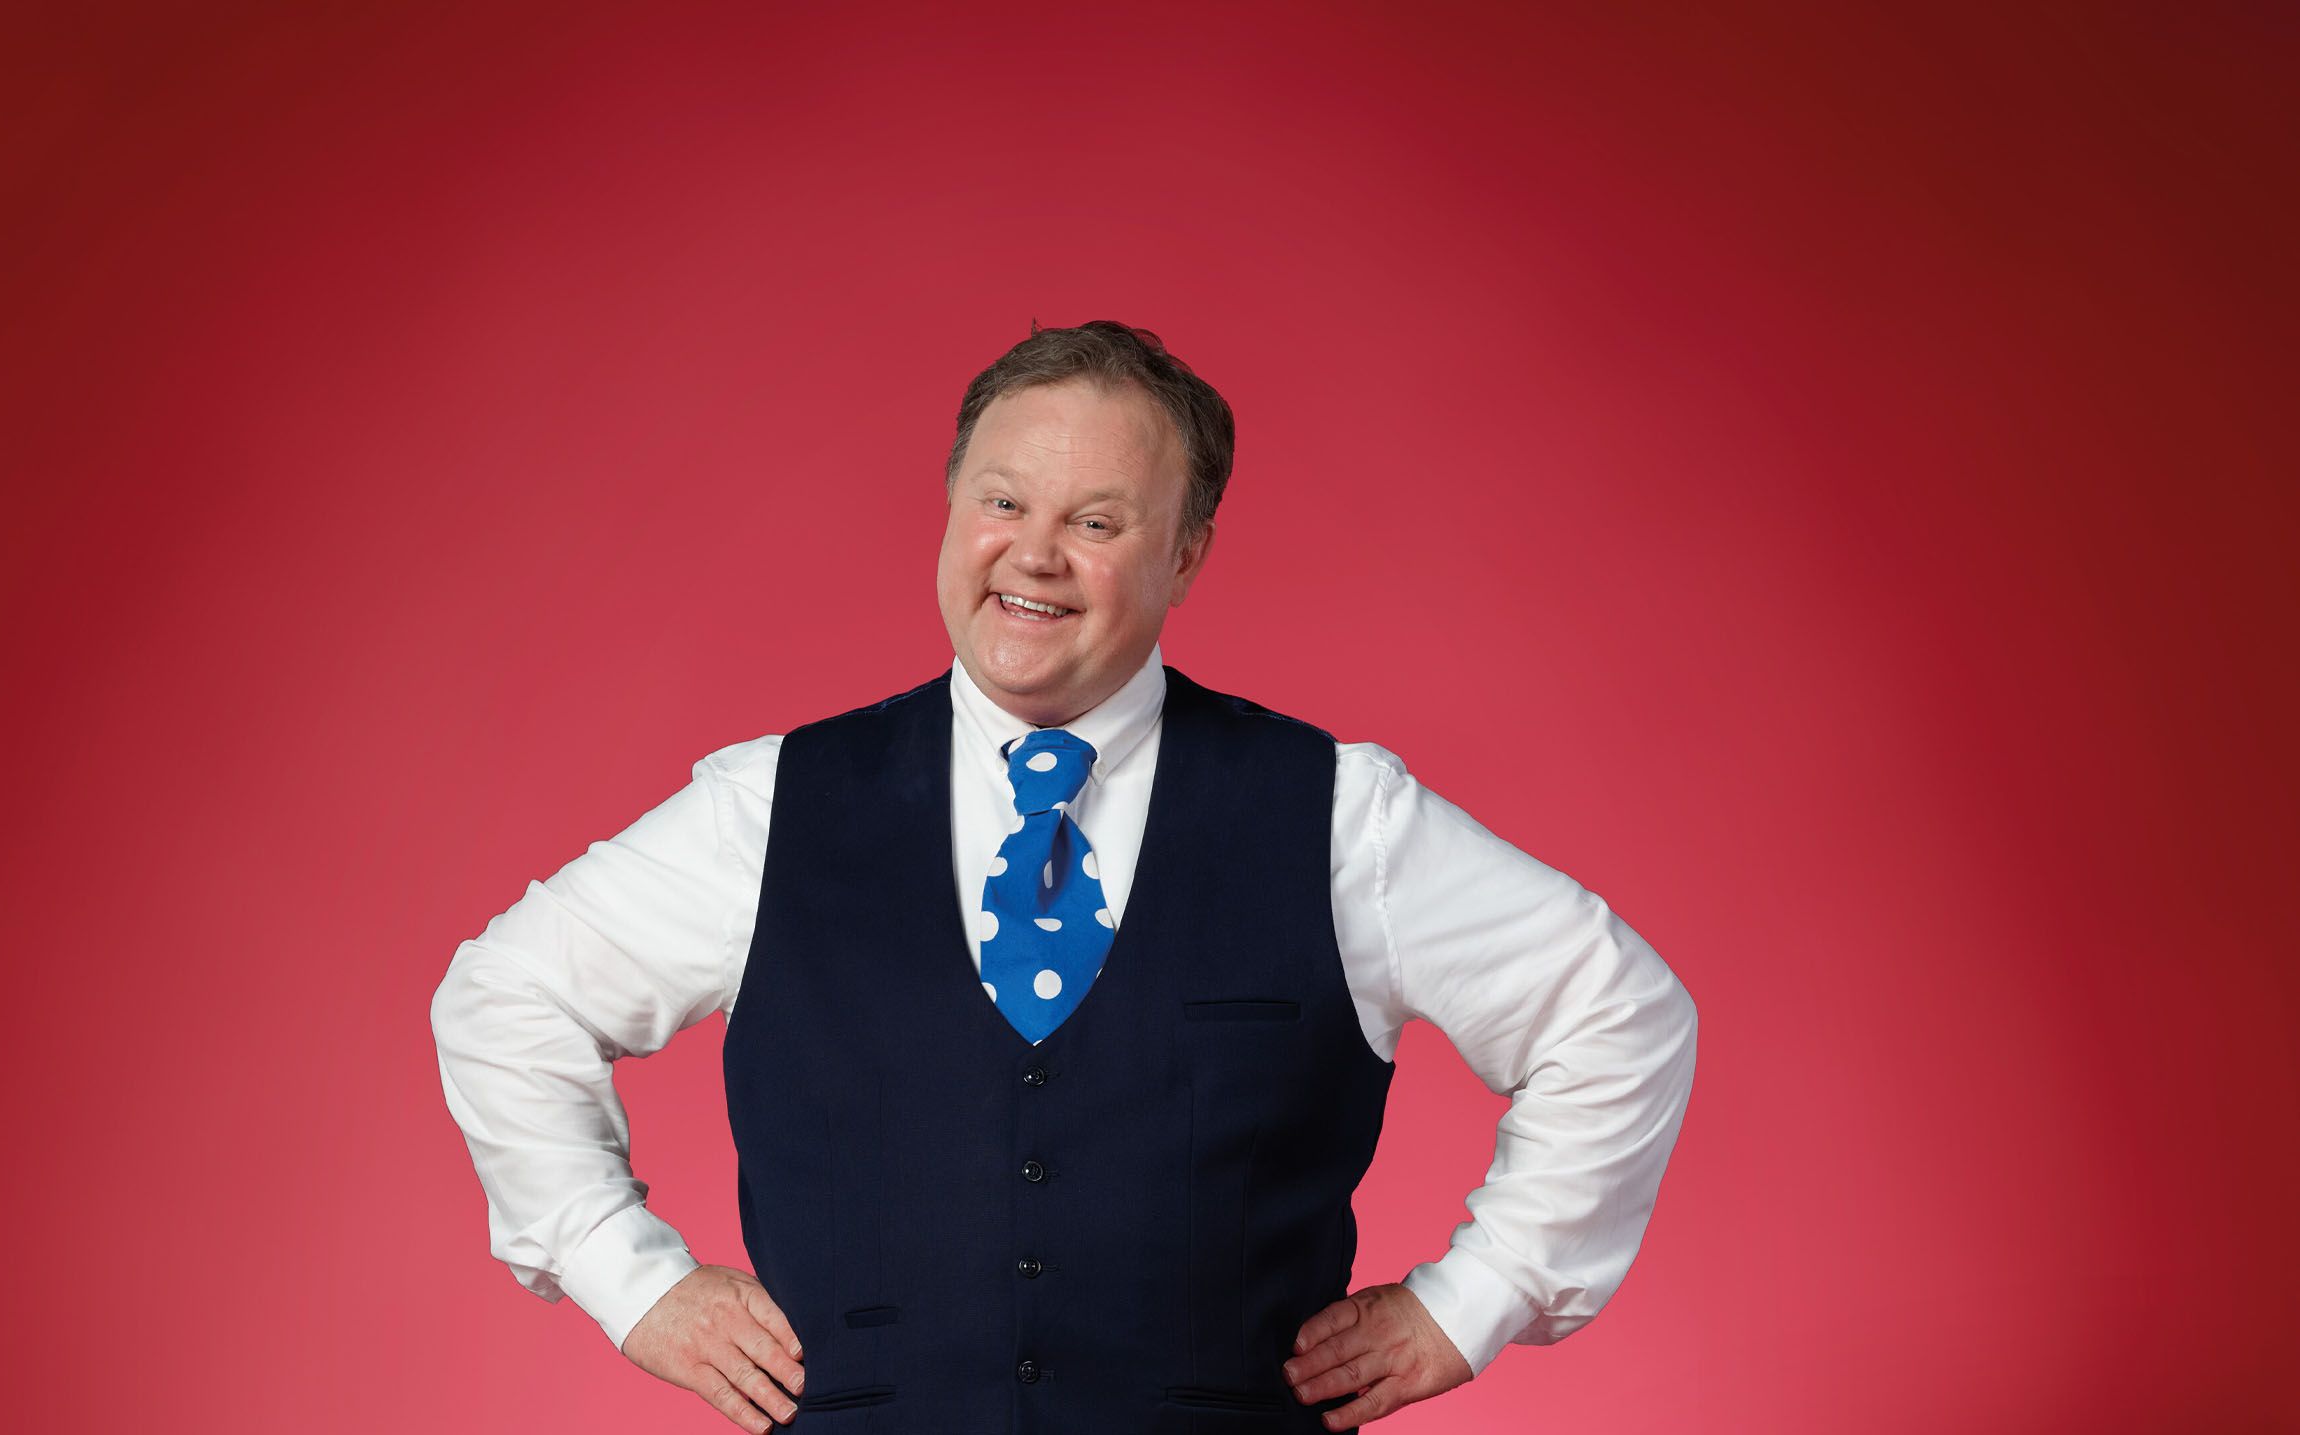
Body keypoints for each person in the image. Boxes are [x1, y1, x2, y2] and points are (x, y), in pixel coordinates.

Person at [430, 320, 1698, 1432]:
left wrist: (1469, 1305)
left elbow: (1615, 1014)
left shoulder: (1338, 818)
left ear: (1186, 556)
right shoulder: (770, 809)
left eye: (1096, 521)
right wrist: (626, 1274)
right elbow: (505, 999)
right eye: (1001, 503)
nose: (1032, 556)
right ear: (949, 513)